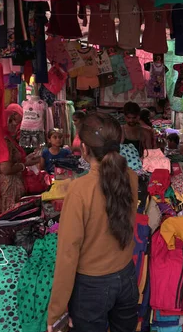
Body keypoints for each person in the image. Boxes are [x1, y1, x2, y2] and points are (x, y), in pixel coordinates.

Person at [47, 113, 139, 332]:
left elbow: (68, 254)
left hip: (92, 287)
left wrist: (56, 312)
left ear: (85, 149)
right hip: (127, 278)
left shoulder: (79, 190)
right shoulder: (131, 177)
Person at [0, 104, 40, 220]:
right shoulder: (5, 141)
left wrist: (27, 160)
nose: (15, 125)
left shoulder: (8, 138)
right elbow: (5, 169)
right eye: (12, 121)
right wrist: (23, 165)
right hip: (9, 187)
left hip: (13, 186)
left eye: (17, 121)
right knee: (10, 216)